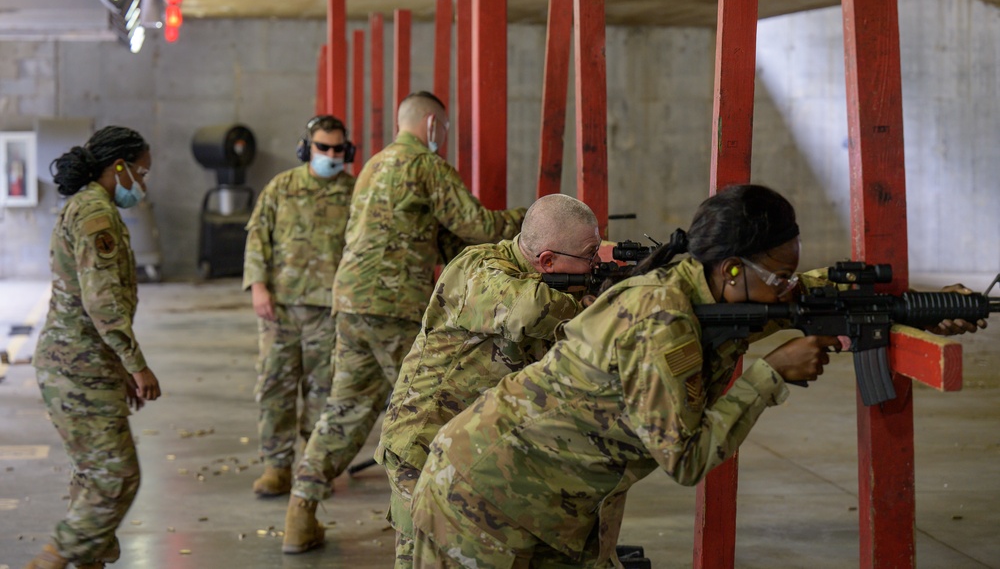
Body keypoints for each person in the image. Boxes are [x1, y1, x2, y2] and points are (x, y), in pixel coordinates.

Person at [405, 185, 855, 567]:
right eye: (781, 280)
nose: (785, 291)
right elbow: (686, 458)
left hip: (547, 505)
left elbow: (764, 305)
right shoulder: (660, 318)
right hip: (482, 498)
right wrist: (770, 373)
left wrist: (852, 297)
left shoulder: (702, 288)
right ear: (732, 269)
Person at [282, 91, 527, 554]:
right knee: (421, 415)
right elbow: (476, 225)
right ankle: (422, 528)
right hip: (395, 305)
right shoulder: (426, 167)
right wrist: (530, 221)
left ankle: (300, 511)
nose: (445, 138)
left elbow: (423, 235)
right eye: (445, 130)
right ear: (432, 125)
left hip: (352, 303)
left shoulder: (373, 167)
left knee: (345, 407)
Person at [378, 193, 602, 568]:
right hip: (421, 443)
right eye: (589, 256)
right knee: (428, 557)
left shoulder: (548, 280)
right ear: (547, 260)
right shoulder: (480, 269)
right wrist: (596, 310)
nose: (594, 265)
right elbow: (525, 310)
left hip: (469, 450)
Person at [26, 126, 162, 569]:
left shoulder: (92, 207)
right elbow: (102, 300)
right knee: (116, 476)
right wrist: (136, 365)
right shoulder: (94, 215)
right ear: (118, 167)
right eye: (140, 173)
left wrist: (118, 368)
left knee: (92, 473)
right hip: (77, 363)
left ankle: (89, 562)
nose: (142, 184)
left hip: (82, 362)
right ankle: (54, 558)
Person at [242, 115, 357, 496]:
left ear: (347, 150)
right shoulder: (282, 187)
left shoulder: (356, 192)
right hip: (281, 309)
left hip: (329, 311)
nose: (329, 154)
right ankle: (276, 467)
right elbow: (258, 237)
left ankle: (313, 469)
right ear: (306, 148)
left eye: (337, 148)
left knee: (323, 392)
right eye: (322, 147)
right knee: (275, 387)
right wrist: (258, 286)